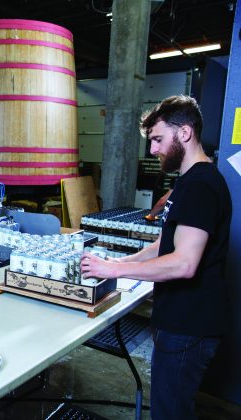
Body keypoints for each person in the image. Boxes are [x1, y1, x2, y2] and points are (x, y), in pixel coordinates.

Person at [80, 95, 232, 420]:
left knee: (170, 413)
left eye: (158, 140)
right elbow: (163, 245)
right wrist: (120, 263)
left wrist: (112, 269)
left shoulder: (202, 186)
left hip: (189, 325)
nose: (152, 151)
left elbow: (184, 262)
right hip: (179, 320)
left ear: (185, 133)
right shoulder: (187, 182)